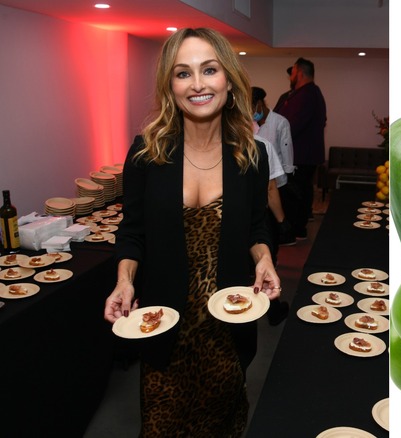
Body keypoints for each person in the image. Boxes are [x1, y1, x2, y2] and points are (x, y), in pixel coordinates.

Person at [103, 28, 281, 436]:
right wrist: (124, 281)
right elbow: (132, 232)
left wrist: (266, 258)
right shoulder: (146, 153)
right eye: (183, 73)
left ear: (229, 80)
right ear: (170, 85)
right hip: (163, 328)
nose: (198, 84)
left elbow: (257, 226)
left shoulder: (252, 155)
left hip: (228, 326)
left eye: (209, 70)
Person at [275, 57, 327, 239]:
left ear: (300, 73)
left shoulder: (307, 95)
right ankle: (298, 228)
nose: (291, 75)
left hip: (301, 156)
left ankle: (293, 231)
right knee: (301, 191)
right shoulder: (307, 93)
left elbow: (291, 125)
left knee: (294, 194)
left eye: (294, 71)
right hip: (304, 155)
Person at [252, 86, 296, 247]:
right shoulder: (249, 124)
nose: (251, 112)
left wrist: (288, 173)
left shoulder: (280, 122)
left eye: (252, 107)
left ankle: (276, 248)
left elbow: (286, 149)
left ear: (259, 104)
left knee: (273, 220)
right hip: (257, 182)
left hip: (276, 180)